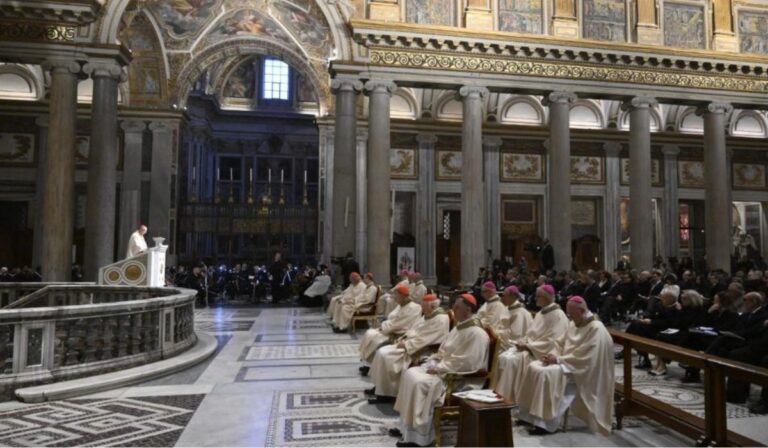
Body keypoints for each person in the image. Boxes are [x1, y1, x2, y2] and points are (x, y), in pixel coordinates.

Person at [390, 294, 489, 447]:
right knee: (410, 374)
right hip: (443, 370)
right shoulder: (460, 327)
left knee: (420, 383)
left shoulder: (477, 333)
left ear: (468, 310)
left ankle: (420, 439)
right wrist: (434, 360)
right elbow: (444, 350)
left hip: (459, 379)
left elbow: (468, 362)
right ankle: (407, 428)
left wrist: (439, 368)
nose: (453, 309)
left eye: (457, 307)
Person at [515, 296, 615, 436]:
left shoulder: (596, 328)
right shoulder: (575, 323)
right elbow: (560, 342)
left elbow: (587, 357)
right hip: (567, 362)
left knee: (546, 374)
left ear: (582, 311)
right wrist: (552, 355)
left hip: (582, 370)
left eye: (572, 314)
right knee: (533, 367)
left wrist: (559, 360)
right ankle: (527, 416)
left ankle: (544, 424)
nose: (570, 317)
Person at [366, 294, 450, 403]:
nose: (423, 310)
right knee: (381, 352)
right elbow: (415, 329)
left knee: (385, 355)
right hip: (412, 344)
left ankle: (387, 394)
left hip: (420, 349)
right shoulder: (429, 314)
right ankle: (379, 388)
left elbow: (428, 338)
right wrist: (404, 338)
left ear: (433, 306)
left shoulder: (440, 318)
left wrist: (407, 344)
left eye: (424, 307)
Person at [495, 284, 569, 403]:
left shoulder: (558, 315)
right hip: (530, 348)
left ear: (546, 298)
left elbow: (553, 341)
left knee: (512, 361)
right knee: (503, 357)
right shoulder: (540, 313)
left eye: (538, 296)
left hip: (539, 352)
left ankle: (512, 399)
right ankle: (500, 397)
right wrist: (523, 341)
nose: (535, 298)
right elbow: (530, 333)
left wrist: (528, 346)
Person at [358, 285, 422, 375]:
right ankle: (368, 363)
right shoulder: (401, 305)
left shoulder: (415, 307)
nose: (394, 298)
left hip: (398, 333)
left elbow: (400, 323)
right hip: (390, 329)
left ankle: (370, 367)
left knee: (375, 339)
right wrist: (384, 325)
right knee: (369, 333)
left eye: (396, 296)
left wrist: (384, 327)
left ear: (403, 296)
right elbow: (391, 317)